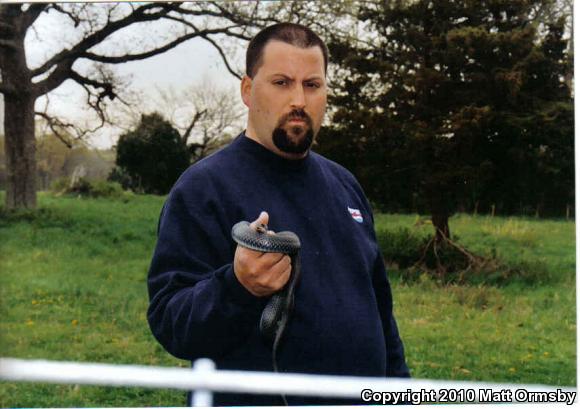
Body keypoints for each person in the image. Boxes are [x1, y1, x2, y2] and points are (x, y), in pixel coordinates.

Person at [147, 22, 410, 406]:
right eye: (282, 83)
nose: (299, 100)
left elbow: (381, 315)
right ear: (248, 91)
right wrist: (237, 287)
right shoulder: (203, 188)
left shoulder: (345, 185)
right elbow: (172, 323)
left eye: (312, 85)